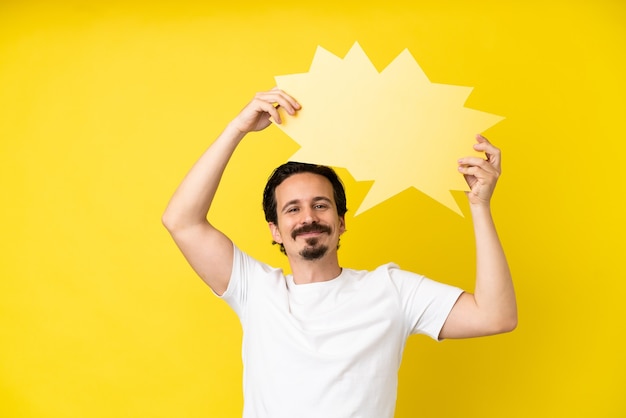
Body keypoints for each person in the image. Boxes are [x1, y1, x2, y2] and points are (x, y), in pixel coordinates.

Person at [162, 88, 517, 418]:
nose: (309, 218)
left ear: (341, 221)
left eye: (320, 205)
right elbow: (181, 220)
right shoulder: (255, 290)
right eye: (292, 209)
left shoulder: (390, 290)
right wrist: (237, 128)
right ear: (275, 230)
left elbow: (495, 316)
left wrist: (480, 205)